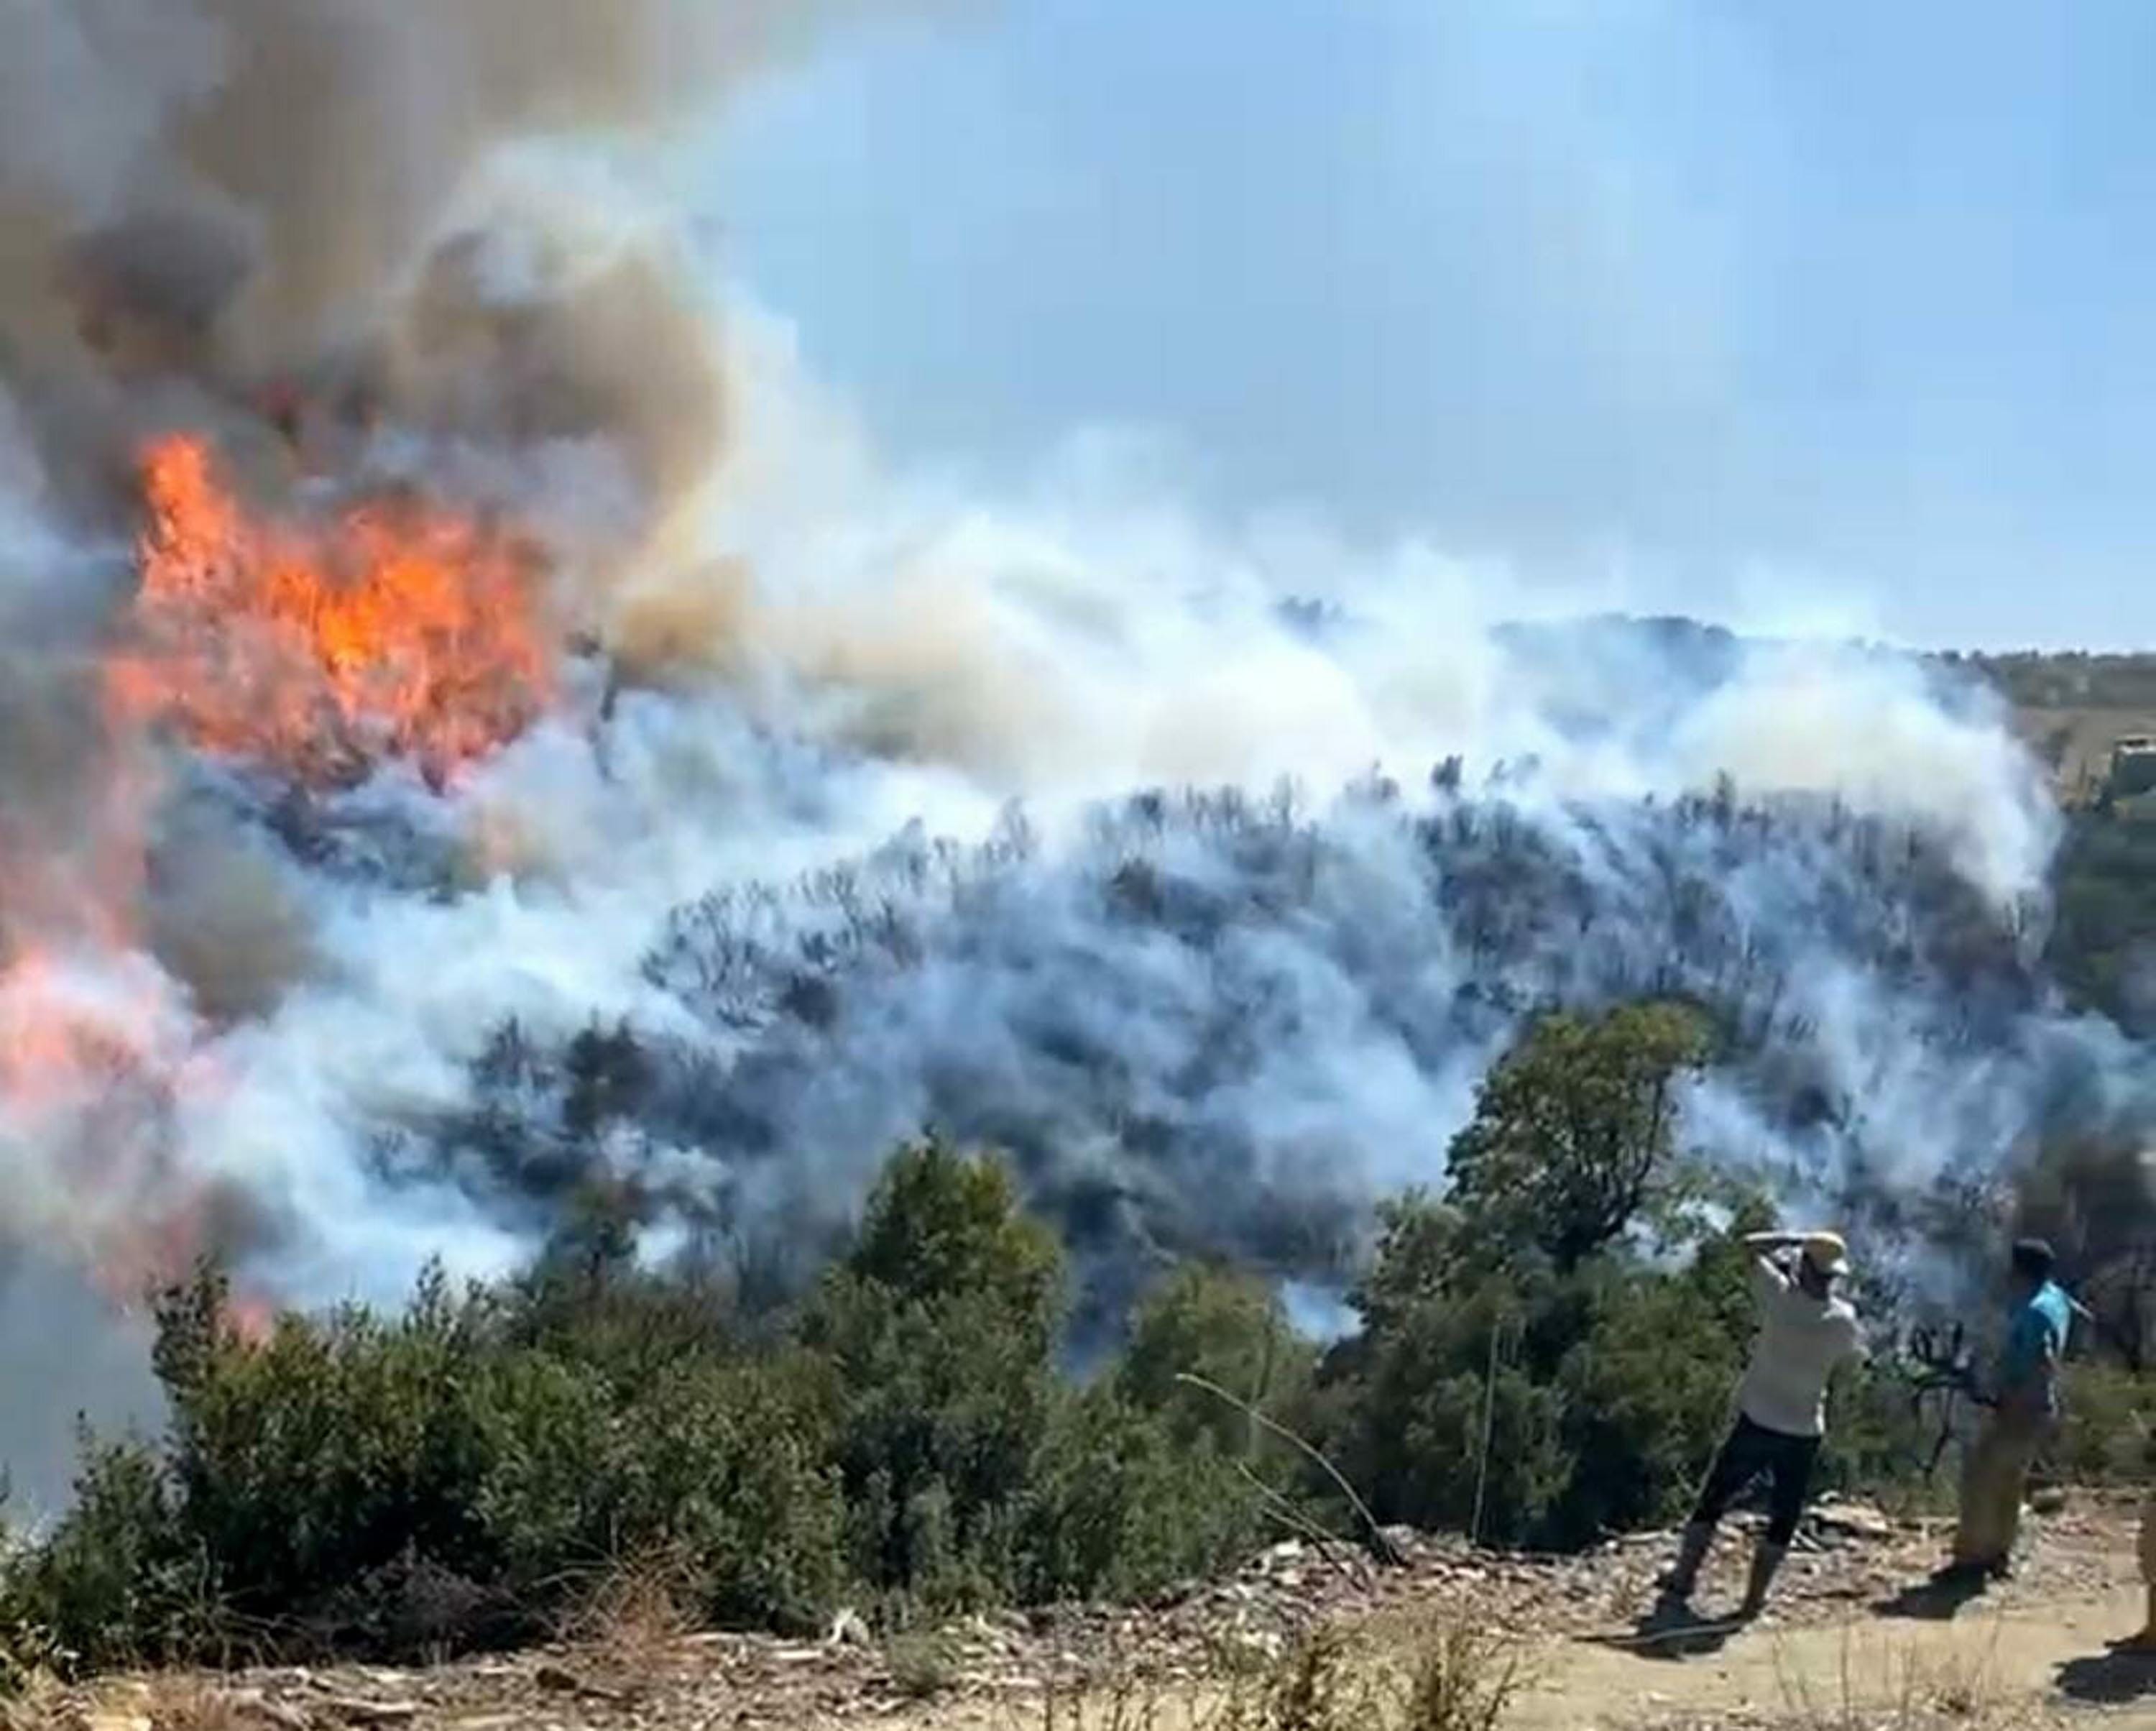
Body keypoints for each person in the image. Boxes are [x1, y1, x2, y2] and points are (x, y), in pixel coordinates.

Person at [1662, 1228, 1864, 1619]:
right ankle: (1754, 1600)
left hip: (1758, 1419)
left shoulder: (1778, 1298)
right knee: (1783, 1516)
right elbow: (1845, 1350)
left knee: (1714, 1500)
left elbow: (1747, 1246)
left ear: (1803, 1267)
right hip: (1805, 1428)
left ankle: (1684, 1577)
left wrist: (1793, 1237)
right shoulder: (1843, 1321)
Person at [1946, 1237, 2073, 1581]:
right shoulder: (2057, 1299)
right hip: (2041, 1404)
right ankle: (1999, 1554)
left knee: (1981, 1478)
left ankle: (1971, 1559)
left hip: (2020, 1403)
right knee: (2010, 1480)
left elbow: (2030, 1359)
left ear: (2019, 1270)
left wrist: (1997, 1389)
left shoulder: (2033, 1311)